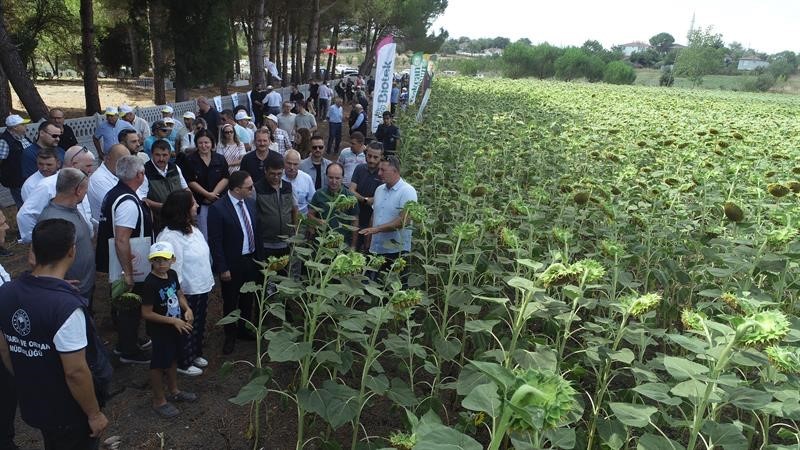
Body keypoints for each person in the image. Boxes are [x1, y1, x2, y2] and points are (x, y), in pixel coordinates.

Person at [0, 219, 110, 449]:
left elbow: (4, 348)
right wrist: (93, 414)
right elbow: (75, 372)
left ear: (34, 251)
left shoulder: (6, 293)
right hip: (69, 410)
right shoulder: (65, 307)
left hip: (35, 402)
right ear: (72, 251)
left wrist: (26, 377)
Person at [96, 155, 154, 364]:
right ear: (140, 174)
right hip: (130, 265)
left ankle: (129, 341)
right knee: (130, 305)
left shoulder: (114, 193)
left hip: (118, 263)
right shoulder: (128, 202)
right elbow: (122, 239)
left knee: (125, 305)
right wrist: (129, 273)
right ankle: (128, 350)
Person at [157, 191, 213, 377]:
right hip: (186, 291)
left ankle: (195, 353)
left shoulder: (191, 228)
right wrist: (180, 297)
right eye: (193, 204)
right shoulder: (170, 237)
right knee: (185, 326)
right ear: (183, 210)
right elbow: (173, 271)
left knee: (197, 324)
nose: (196, 206)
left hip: (200, 287)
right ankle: (183, 361)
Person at [140, 241, 198, 417]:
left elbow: (179, 294)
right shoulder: (150, 283)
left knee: (172, 358)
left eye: (164, 260)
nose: (161, 264)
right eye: (156, 260)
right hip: (160, 331)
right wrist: (173, 321)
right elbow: (146, 313)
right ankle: (159, 400)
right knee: (158, 363)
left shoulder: (171, 274)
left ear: (173, 259)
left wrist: (187, 309)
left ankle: (174, 390)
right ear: (151, 261)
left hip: (175, 326)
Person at [207, 171, 262, 355]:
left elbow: (256, 231)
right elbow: (215, 241)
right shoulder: (218, 209)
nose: (252, 190)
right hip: (232, 264)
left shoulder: (251, 203)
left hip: (250, 260)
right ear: (237, 189)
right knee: (231, 301)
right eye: (249, 187)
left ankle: (243, 329)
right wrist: (222, 268)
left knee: (248, 299)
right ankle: (230, 335)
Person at [38, 168, 96, 306]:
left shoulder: (72, 208)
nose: (86, 192)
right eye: (85, 189)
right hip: (70, 293)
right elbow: (35, 258)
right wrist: (56, 282)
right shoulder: (53, 220)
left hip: (84, 287)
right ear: (77, 191)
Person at [17, 146, 96, 245]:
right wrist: (37, 242)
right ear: (74, 164)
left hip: (83, 241)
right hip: (60, 246)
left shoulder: (81, 181)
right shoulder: (47, 185)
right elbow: (25, 214)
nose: (91, 170)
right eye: (88, 166)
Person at [358, 156, 418, 273]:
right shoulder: (379, 189)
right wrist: (368, 240)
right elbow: (374, 215)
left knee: (391, 286)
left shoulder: (407, 191)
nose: (379, 173)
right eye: (379, 169)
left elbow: (403, 221)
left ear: (395, 171)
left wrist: (377, 229)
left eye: (383, 170)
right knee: (370, 285)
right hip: (375, 247)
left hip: (395, 251)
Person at [180, 130, 229, 239]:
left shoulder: (220, 158)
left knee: (222, 232)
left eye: (206, 142)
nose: (204, 146)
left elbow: (225, 178)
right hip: (200, 203)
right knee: (204, 233)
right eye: (200, 143)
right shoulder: (190, 160)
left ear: (212, 143)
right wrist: (207, 194)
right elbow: (189, 180)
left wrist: (213, 194)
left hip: (219, 201)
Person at [87, 144, 148, 225]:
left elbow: (141, 197)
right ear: (107, 159)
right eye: (121, 161)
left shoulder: (124, 173)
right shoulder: (98, 179)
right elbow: (120, 206)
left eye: (128, 161)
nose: (125, 165)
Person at [254, 155, 298, 260]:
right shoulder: (257, 189)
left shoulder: (289, 187)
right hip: (265, 243)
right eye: (272, 174)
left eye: (279, 174)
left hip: (286, 242)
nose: (276, 177)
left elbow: (294, 209)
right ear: (265, 171)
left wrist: (294, 230)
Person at [308, 163, 359, 247]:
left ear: (343, 178)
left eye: (337, 178)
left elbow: (355, 222)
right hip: (321, 244)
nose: (334, 181)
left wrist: (353, 246)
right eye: (331, 177)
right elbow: (310, 215)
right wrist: (318, 221)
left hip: (342, 244)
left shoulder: (350, 198)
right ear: (326, 176)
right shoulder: (319, 194)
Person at [349, 142, 384, 252]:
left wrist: (363, 198)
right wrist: (366, 200)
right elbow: (351, 191)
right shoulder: (359, 169)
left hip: (375, 219)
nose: (371, 160)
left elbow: (379, 199)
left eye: (375, 157)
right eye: (369, 156)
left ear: (381, 157)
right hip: (356, 215)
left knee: (368, 250)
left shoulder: (382, 174)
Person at [144, 140, 190, 221]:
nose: (161, 159)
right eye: (157, 155)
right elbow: (142, 199)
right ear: (151, 154)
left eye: (164, 155)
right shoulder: (144, 171)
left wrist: (192, 203)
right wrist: (164, 206)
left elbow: (186, 189)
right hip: (157, 219)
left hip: (179, 217)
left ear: (170, 155)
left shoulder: (175, 168)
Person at [0, 114, 32, 208]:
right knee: (24, 205)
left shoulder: (23, 137)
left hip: (28, 176)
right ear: (15, 127)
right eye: (23, 125)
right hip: (17, 180)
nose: (26, 126)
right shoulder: (4, 141)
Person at [282, 149, 315, 217]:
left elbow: (312, 203)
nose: (292, 167)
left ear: (299, 164)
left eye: (295, 164)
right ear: (284, 162)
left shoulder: (307, 179)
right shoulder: (278, 178)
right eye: (289, 163)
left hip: (302, 219)